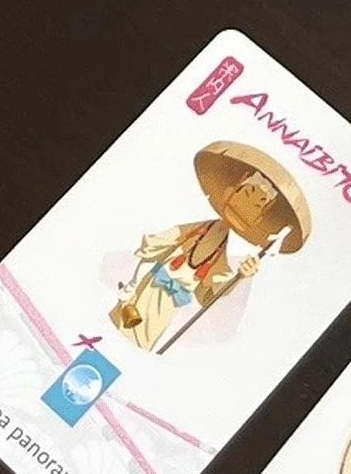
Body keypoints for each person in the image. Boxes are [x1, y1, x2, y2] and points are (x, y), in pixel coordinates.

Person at [110, 143, 312, 352]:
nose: (248, 206)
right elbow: (155, 246)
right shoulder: (193, 230)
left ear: (258, 218)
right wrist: (132, 284)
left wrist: (240, 276)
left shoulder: (220, 254)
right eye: (248, 193)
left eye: (258, 204)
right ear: (230, 191)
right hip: (144, 291)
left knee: (138, 344)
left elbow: (207, 295)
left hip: (166, 308)